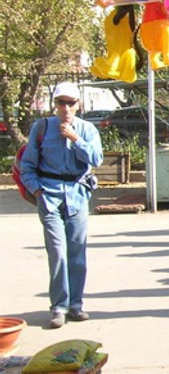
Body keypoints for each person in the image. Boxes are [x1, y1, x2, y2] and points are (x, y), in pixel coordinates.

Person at [20, 82, 104, 329]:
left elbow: (96, 159)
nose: (66, 108)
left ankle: (75, 305)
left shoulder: (87, 130)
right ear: (54, 105)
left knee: (77, 253)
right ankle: (59, 306)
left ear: (79, 105)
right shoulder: (42, 128)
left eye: (71, 103)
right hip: (50, 194)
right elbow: (27, 166)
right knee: (57, 252)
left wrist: (75, 139)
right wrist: (38, 191)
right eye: (61, 102)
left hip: (77, 195)